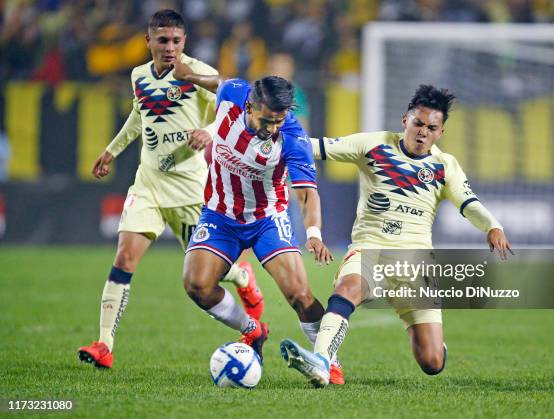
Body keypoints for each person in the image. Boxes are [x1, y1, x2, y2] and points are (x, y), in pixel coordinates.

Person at [279, 85, 513, 387]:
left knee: (431, 362)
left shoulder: (444, 166)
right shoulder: (374, 144)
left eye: (431, 128)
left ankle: (435, 347)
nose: (422, 132)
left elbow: (469, 203)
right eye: (418, 123)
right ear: (405, 120)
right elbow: (314, 147)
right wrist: (271, 129)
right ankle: (322, 362)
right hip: (369, 250)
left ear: (440, 132)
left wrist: (492, 226)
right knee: (347, 290)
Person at [77, 10, 263, 369]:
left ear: (184, 42)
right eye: (163, 40)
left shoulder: (197, 73)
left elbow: (238, 110)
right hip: (148, 183)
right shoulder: (138, 75)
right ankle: (104, 345)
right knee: (124, 258)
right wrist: (111, 150)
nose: (170, 48)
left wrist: (209, 131)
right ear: (148, 41)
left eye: (177, 41)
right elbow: (139, 115)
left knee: (211, 273)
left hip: (191, 191)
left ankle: (240, 275)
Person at [181, 76, 343, 383]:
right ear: (250, 105)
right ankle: (251, 329)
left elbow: (308, 193)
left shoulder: (292, 137)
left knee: (299, 293)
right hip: (219, 215)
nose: (272, 129)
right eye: (267, 120)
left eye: (278, 121)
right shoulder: (232, 94)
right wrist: (186, 74)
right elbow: (218, 82)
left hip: (268, 218)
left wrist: (313, 234)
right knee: (196, 285)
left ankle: (329, 361)